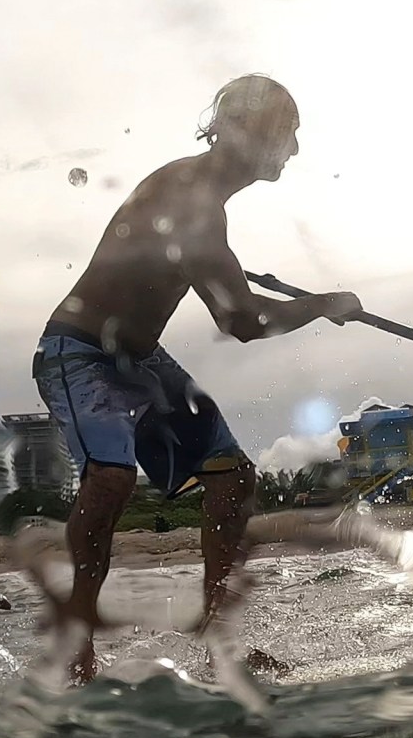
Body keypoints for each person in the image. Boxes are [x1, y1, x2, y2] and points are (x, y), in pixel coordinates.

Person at [34, 75, 360, 684]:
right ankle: (76, 653)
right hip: (76, 353)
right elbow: (240, 320)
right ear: (254, 133)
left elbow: (231, 298)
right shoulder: (192, 197)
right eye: (288, 134)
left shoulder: (206, 206)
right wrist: (321, 304)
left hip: (139, 360)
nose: (294, 151)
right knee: (109, 478)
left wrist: (291, 296)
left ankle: (219, 641)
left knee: (232, 477)